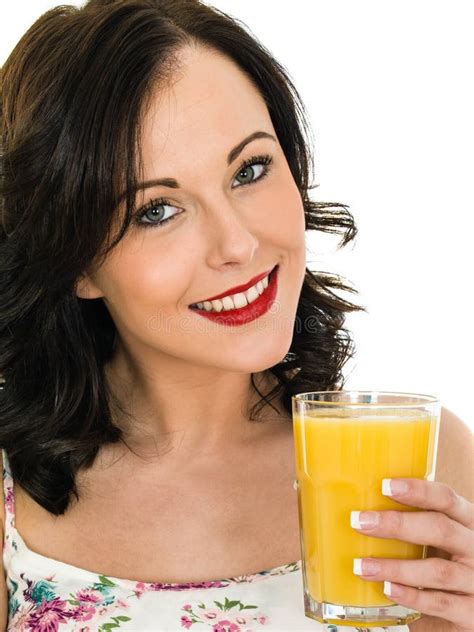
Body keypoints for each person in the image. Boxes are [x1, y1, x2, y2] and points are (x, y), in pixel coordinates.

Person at [0, 1, 472, 630]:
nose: (239, 245)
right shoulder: (11, 491)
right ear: (76, 262)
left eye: (250, 170)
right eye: (156, 211)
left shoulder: (424, 463)